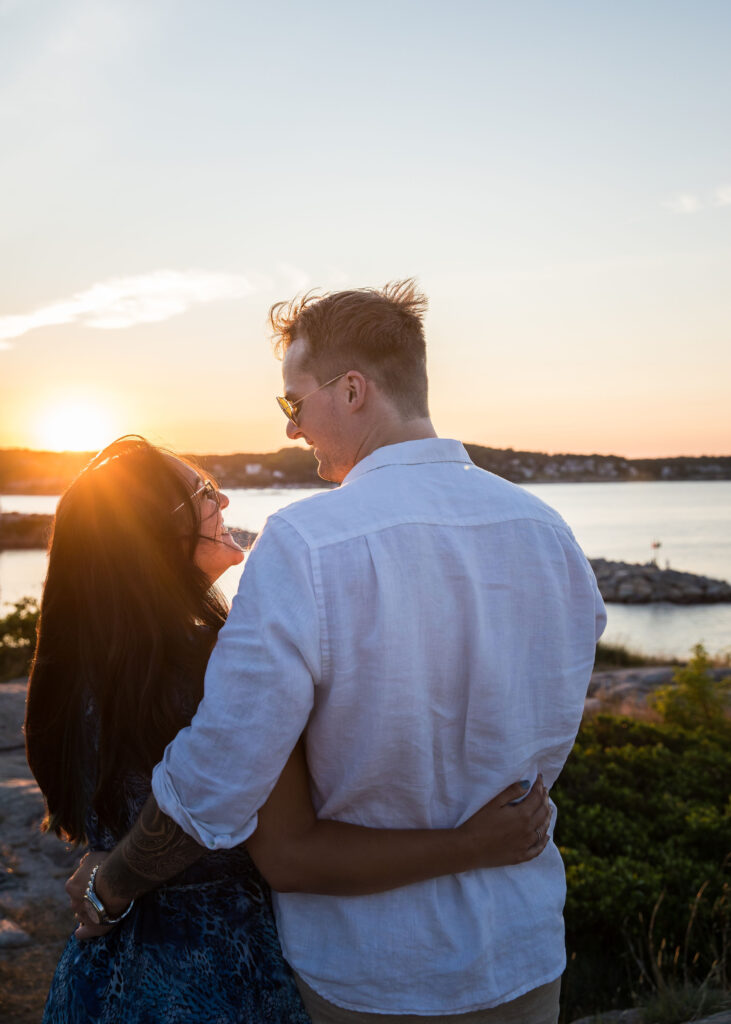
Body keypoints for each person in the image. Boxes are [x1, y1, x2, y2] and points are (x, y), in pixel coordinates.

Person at [67, 281, 606, 1024]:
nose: (290, 429)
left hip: (372, 973)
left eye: (293, 402)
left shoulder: (305, 545)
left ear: (352, 390)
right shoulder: (549, 534)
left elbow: (219, 777)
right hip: (521, 954)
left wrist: (112, 883)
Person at [28, 435, 551, 1024]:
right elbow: (292, 855)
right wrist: (476, 845)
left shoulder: (74, 672)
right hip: (219, 980)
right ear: (157, 534)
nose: (222, 497)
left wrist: (109, 880)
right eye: (202, 492)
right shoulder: (218, 667)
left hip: (99, 979)